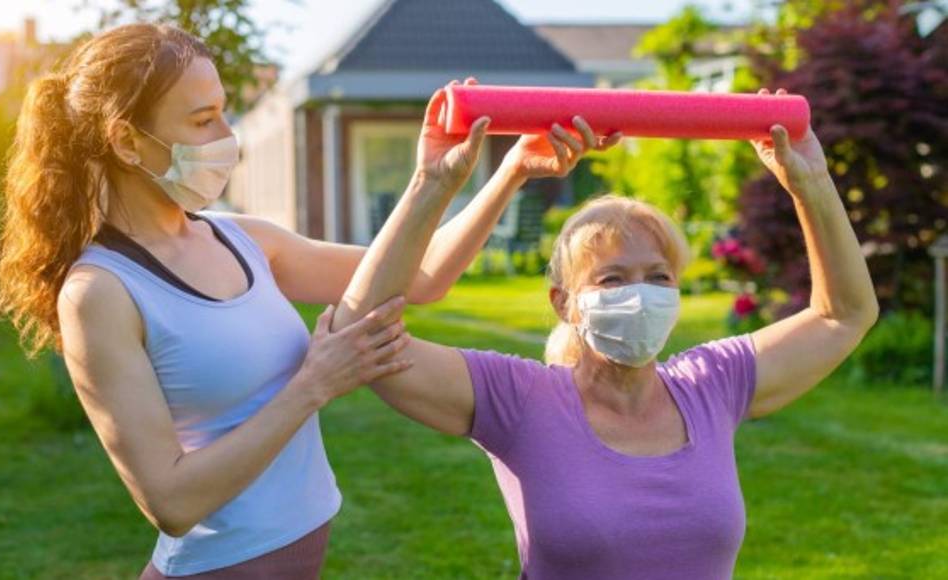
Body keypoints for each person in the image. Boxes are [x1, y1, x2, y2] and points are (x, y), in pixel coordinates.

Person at [0, 23, 618, 578]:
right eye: (203, 121)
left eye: (225, 113)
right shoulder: (100, 292)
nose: (228, 137)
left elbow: (421, 275)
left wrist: (503, 172)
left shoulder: (241, 240)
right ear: (127, 142)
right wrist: (314, 384)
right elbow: (171, 502)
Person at [327, 88, 880, 579]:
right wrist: (433, 182)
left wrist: (811, 183)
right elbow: (360, 333)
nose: (639, 294)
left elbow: (844, 315)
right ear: (564, 303)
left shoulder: (713, 384)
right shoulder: (521, 400)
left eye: (658, 277)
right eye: (612, 279)